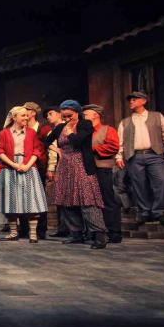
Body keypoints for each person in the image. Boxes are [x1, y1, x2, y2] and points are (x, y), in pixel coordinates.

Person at [44, 100, 108, 249]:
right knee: (68, 201)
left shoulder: (85, 124)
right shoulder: (60, 127)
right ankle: (76, 234)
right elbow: (46, 141)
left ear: (77, 113)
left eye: (70, 116)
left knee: (88, 200)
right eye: (64, 116)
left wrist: (71, 132)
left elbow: (78, 141)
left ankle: (99, 236)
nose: (67, 119)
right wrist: (56, 149)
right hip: (65, 166)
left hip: (81, 165)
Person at [116, 91, 164, 227]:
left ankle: (159, 211)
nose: (131, 101)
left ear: (143, 101)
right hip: (134, 156)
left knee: (161, 181)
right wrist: (119, 156)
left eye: (134, 99)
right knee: (139, 184)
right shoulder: (125, 122)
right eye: (130, 100)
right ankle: (144, 211)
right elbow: (120, 142)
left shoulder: (157, 116)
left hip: (154, 154)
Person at [0, 106, 48, 243]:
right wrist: (13, 165)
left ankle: (33, 234)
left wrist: (27, 165)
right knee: (11, 201)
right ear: (14, 117)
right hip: (9, 168)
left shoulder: (31, 132)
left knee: (31, 201)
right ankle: (14, 232)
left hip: (28, 167)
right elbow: (0, 151)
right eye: (23, 115)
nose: (26, 117)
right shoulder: (4, 133)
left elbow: (37, 150)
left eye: (27, 115)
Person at [82, 104, 122, 243]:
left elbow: (113, 146)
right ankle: (95, 231)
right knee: (90, 202)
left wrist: (93, 148)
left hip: (102, 169)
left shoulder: (108, 130)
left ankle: (114, 232)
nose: (83, 116)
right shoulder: (85, 131)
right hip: (87, 169)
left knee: (107, 199)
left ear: (96, 115)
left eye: (86, 114)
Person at [42, 106, 69, 237]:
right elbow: (51, 149)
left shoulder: (67, 127)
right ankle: (63, 228)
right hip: (58, 164)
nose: (48, 117)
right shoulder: (52, 131)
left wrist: (52, 167)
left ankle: (72, 229)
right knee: (60, 197)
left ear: (59, 114)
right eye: (47, 115)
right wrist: (51, 168)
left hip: (69, 164)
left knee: (69, 196)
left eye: (50, 113)